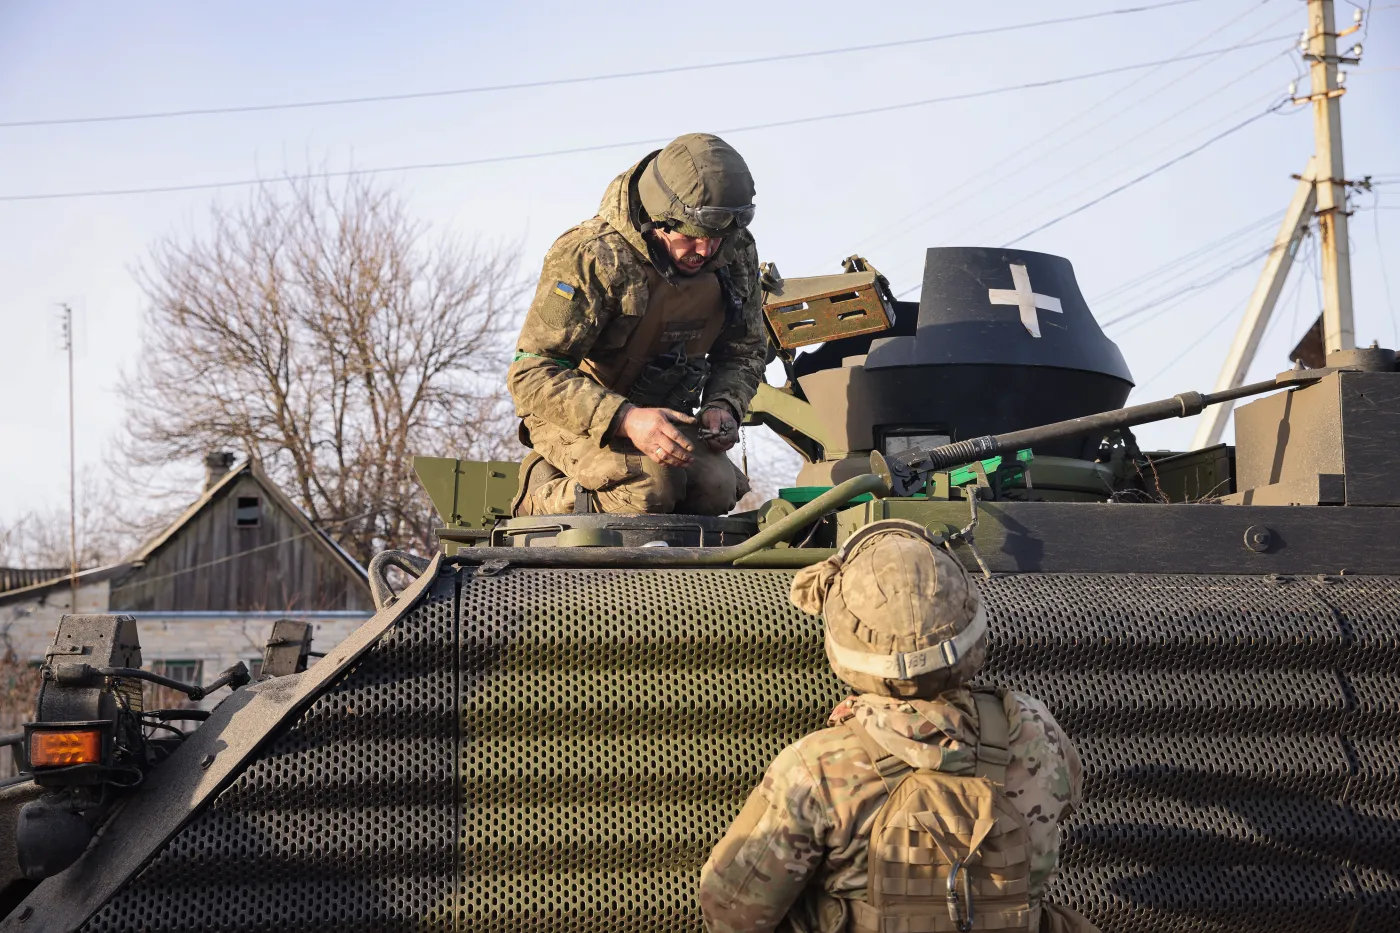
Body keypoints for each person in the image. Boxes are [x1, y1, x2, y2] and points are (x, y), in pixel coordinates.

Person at [697, 520, 1099, 933]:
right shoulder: (1034, 727)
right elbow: (1066, 802)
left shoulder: (816, 766)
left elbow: (731, 912)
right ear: (973, 630)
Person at [508, 132, 767, 516]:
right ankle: (539, 498)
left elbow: (744, 349)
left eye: (717, 239)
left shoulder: (734, 250)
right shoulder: (592, 254)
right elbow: (531, 373)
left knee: (717, 489)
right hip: (575, 413)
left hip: (666, 414)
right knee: (649, 489)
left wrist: (723, 405)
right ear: (658, 219)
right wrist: (625, 419)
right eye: (693, 237)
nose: (706, 251)